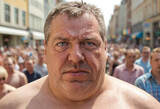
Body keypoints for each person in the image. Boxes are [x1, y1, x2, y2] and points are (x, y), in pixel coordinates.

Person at [0, 2, 159, 109]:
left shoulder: (142, 106)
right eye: (62, 44)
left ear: (105, 49)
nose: (75, 57)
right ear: (45, 50)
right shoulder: (11, 106)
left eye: (89, 43)